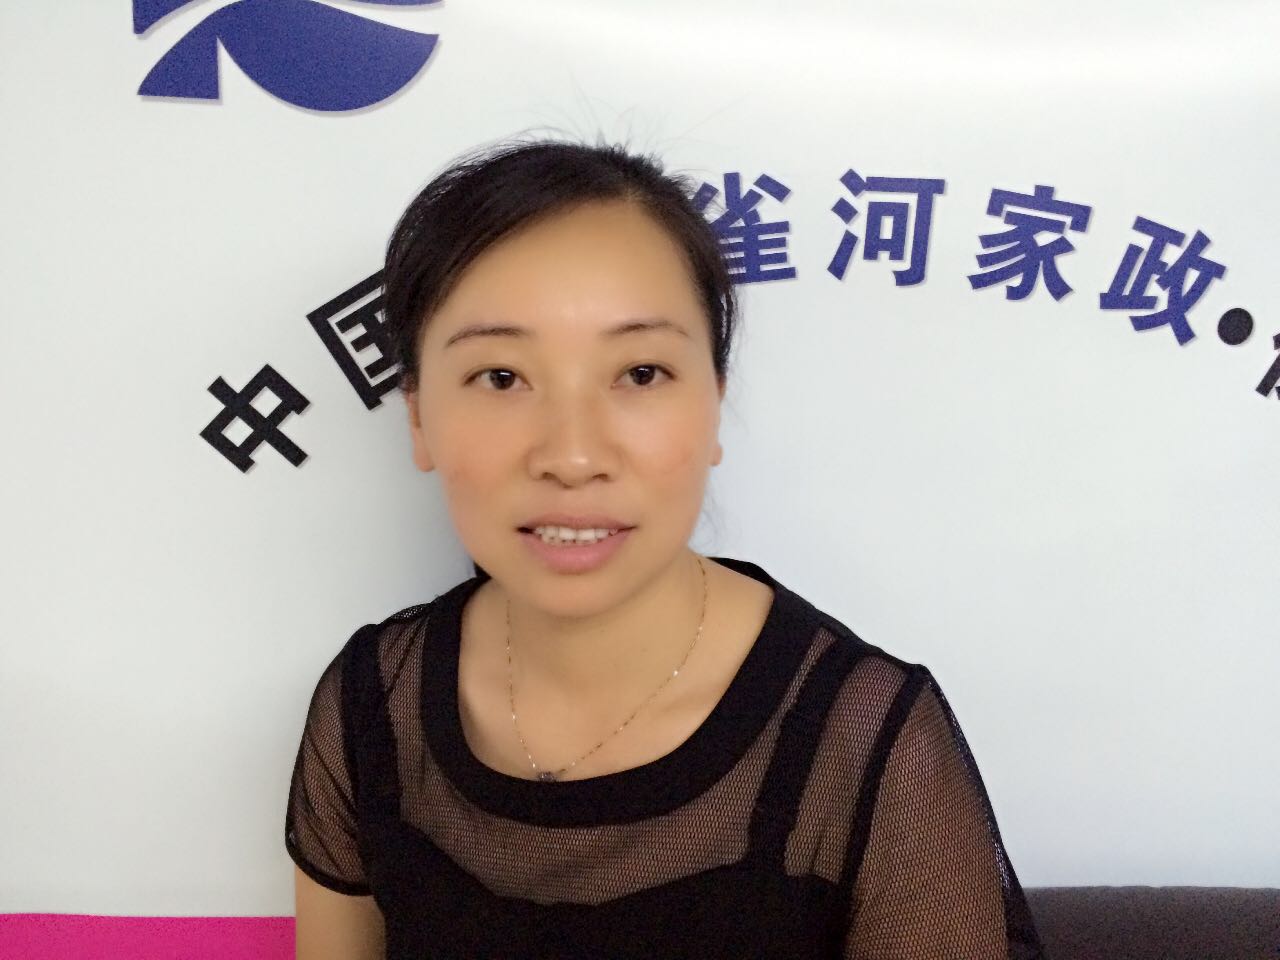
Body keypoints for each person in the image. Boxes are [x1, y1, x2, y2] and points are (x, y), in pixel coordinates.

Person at [284, 135, 1046, 959]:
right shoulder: (370, 705)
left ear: (715, 400)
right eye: (501, 377)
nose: (573, 455)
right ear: (418, 417)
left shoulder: (864, 742)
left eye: (640, 373)